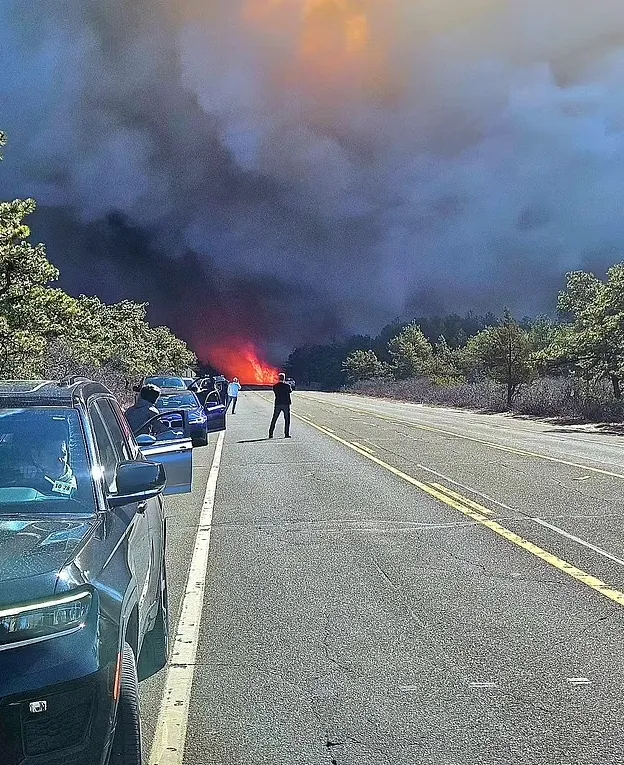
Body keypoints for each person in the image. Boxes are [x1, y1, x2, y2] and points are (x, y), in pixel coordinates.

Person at [269, 373, 292, 439]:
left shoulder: (275, 386)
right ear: (284, 378)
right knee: (287, 419)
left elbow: (275, 392)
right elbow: (290, 391)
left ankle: (270, 434)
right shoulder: (287, 385)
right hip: (286, 404)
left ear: (278, 378)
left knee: (274, 419)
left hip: (278, 403)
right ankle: (286, 434)